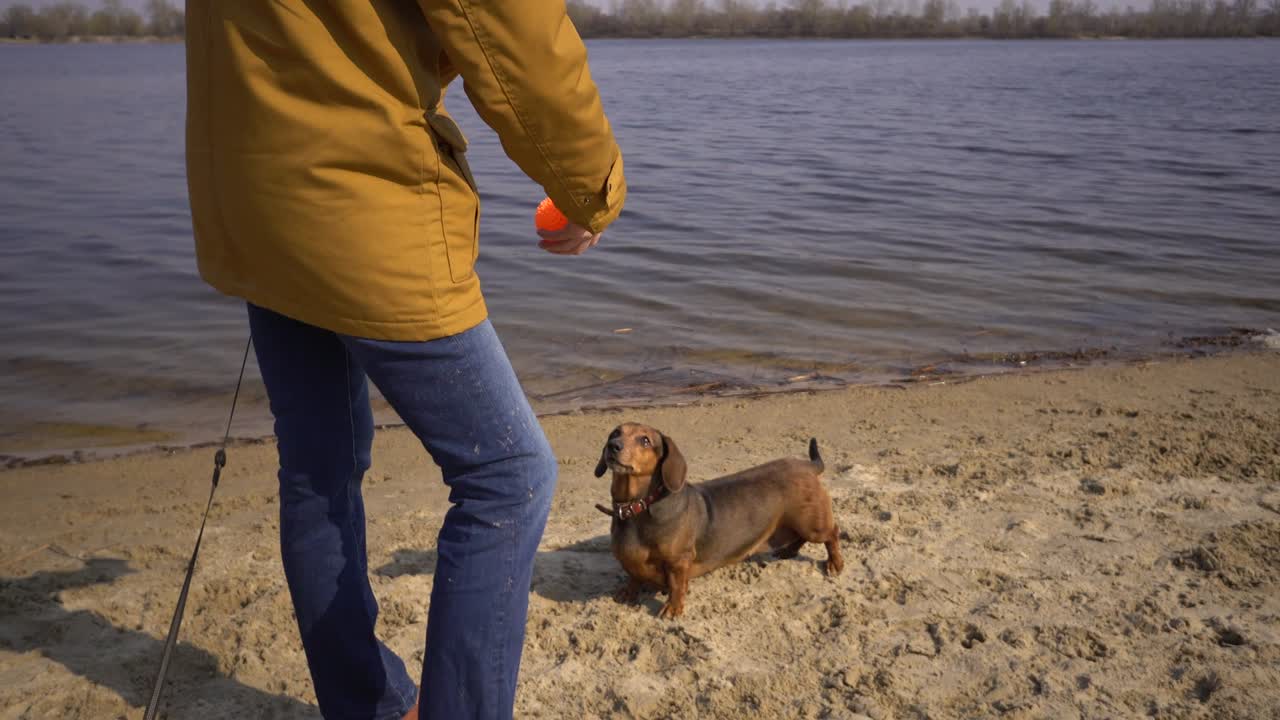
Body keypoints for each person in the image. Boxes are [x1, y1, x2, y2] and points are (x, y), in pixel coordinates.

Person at [184, 3, 626, 719]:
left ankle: (367, 706)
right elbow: (507, 23)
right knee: (509, 476)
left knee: (315, 468)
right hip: (363, 197)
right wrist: (588, 183)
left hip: (254, 191)